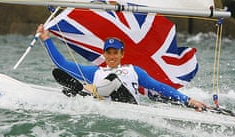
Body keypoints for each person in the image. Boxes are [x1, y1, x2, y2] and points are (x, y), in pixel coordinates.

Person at [37, 24, 208, 111]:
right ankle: (83, 91)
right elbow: (62, 65)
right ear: (104, 54)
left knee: (113, 80)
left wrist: (188, 100)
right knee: (105, 80)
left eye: (115, 53)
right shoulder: (96, 71)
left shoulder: (134, 71)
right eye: (108, 53)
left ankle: (82, 91)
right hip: (108, 106)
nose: (111, 56)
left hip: (130, 105)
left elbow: (159, 87)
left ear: (122, 54)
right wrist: (46, 40)